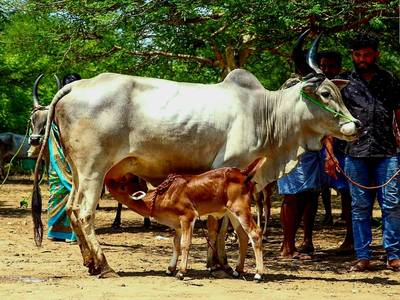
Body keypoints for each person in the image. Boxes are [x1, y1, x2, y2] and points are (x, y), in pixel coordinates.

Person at [330, 33, 400, 272]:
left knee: (391, 204)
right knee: (359, 207)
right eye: (358, 55)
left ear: (376, 55)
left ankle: (394, 256)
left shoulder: (390, 80)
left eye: (367, 54)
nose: (362, 59)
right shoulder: (341, 82)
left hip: (387, 151)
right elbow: (332, 119)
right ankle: (363, 258)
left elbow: (399, 115)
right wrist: (330, 154)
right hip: (353, 152)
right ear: (353, 55)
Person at [278, 50, 346, 259]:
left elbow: (325, 123)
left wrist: (329, 153)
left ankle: (307, 241)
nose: (325, 70)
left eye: (330, 67)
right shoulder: (294, 86)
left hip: (316, 149)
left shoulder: (332, 90)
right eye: (322, 66)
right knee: (292, 196)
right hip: (294, 147)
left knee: (312, 193)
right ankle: (287, 247)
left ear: (338, 69)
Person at [47, 73, 82, 243]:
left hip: (76, 155)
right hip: (57, 156)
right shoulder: (56, 105)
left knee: (75, 191)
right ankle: (55, 231)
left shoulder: (86, 106)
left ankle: (75, 233)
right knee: (57, 190)